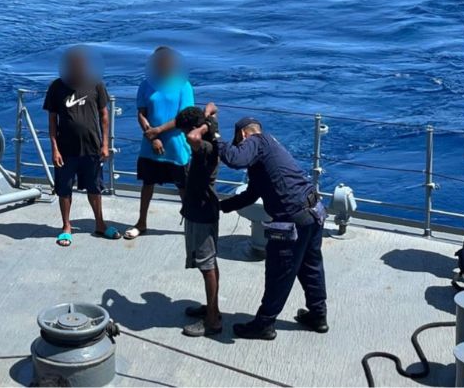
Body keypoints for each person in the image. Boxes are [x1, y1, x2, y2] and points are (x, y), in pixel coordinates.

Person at [209, 106, 327, 340]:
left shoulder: (256, 141)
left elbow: (234, 159)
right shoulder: (267, 151)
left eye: (239, 142)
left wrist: (215, 136)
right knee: (310, 266)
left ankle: (264, 324)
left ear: (243, 135)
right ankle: (318, 315)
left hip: (293, 218)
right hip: (314, 211)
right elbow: (252, 194)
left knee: (279, 271)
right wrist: (222, 206)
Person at [43, 47, 120, 246]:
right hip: (66, 150)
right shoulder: (57, 87)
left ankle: (100, 224)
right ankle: (66, 226)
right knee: (64, 189)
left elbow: (104, 115)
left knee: (95, 187)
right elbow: (52, 120)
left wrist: (105, 144)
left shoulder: (96, 84)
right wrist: (54, 148)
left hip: (92, 148)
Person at [126, 46, 194, 240]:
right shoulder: (145, 85)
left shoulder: (184, 86)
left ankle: (190, 224)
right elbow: (141, 113)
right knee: (147, 184)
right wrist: (153, 137)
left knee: (183, 187)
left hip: (176, 147)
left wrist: (158, 131)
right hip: (150, 147)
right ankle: (141, 222)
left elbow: (185, 116)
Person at [178, 106, 223, 338]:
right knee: (209, 263)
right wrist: (207, 118)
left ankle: (212, 320)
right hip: (200, 209)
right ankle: (212, 307)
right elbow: (213, 108)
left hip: (202, 211)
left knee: (207, 266)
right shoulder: (211, 137)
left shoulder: (205, 146)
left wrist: (202, 124)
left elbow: (193, 137)